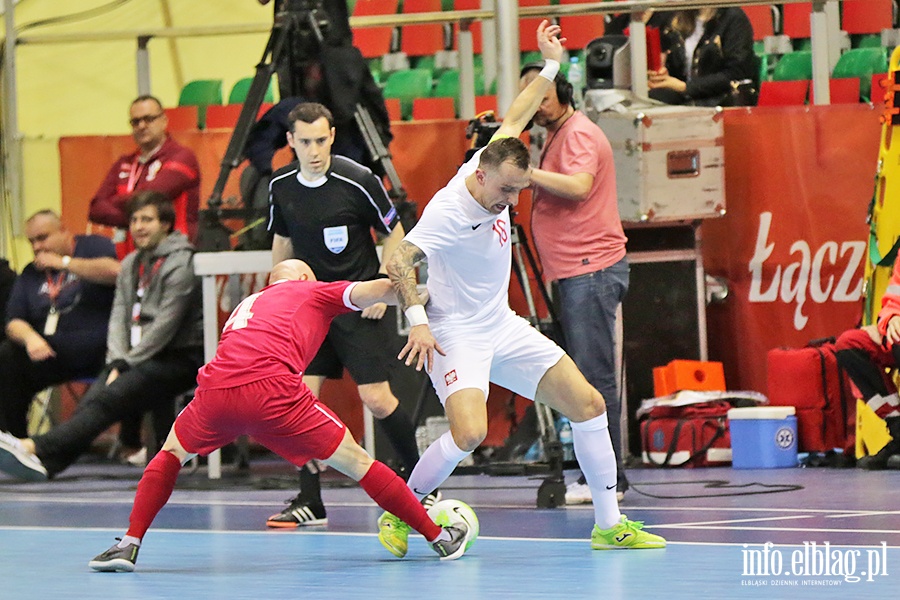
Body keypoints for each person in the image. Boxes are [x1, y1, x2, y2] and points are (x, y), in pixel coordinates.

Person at [379, 21, 666, 554]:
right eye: (506, 191)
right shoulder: (449, 210)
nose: (512, 202)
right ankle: (401, 510)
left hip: (500, 325)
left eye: (519, 189)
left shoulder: (499, 158)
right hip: (455, 330)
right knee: (467, 434)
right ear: (482, 176)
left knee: (588, 404)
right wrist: (418, 320)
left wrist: (552, 64)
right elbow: (399, 259)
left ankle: (610, 524)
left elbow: (519, 110)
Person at [84, 259, 469, 572]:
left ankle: (128, 544)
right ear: (303, 277)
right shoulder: (311, 289)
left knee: (169, 453)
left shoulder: (246, 304)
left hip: (216, 392)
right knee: (358, 462)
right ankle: (438, 538)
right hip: (272, 392)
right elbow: (384, 289)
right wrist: (433, 290)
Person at [265, 101, 430, 528]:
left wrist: (382, 281)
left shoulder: (358, 180)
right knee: (296, 400)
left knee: (376, 398)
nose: (314, 150)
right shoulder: (280, 185)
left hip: (357, 303)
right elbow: (282, 244)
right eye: (304, 142)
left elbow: (395, 231)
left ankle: (422, 482)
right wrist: (276, 298)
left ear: (332, 136)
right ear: (290, 142)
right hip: (309, 309)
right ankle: (310, 499)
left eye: (321, 140)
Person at [0, 192, 203, 482]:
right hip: (133, 357)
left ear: (166, 224)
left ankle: (32, 447)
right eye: (134, 220)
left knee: (108, 398)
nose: (139, 226)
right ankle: (46, 463)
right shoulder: (133, 262)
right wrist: (119, 360)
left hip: (175, 357)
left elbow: (164, 327)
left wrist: (125, 364)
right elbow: (120, 315)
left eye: (147, 220)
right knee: (95, 399)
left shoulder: (181, 262)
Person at [519, 60, 630, 504]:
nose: (537, 109)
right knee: (587, 374)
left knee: (595, 379)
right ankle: (603, 475)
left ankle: (611, 479)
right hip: (576, 271)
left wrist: (526, 175)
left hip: (591, 271)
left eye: (542, 98)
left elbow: (581, 186)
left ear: (562, 92)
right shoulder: (560, 134)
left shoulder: (579, 133)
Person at [0, 211, 119, 438]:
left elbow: (116, 272)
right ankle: (17, 441)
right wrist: (30, 338)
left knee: (134, 361)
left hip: (101, 352)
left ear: (64, 232)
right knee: (7, 356)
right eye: (32, 241)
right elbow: (13, 321)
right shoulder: (30, 273)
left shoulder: (93, 247)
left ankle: (129, 442)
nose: (36, 247)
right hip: (51, 355)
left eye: (42, 238)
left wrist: (64, 263)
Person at [88, 95, 201, 250]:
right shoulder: (124, 162)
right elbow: (95, 209)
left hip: (173, 254)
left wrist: (115, 201)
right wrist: (138, 220)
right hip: (130, 257)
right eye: (136, 122)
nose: (142, 126)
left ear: (164, 121)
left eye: (149, 119)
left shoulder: (182, 157)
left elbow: (150, 196)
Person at [646, 8, 758, 107]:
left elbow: (736, 73)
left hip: (720, 97)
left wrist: (685, 87)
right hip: (686, 96)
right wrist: (664, 75)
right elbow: (676, 68)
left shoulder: (734, 18)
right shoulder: (677, 16)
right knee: (646, 99)